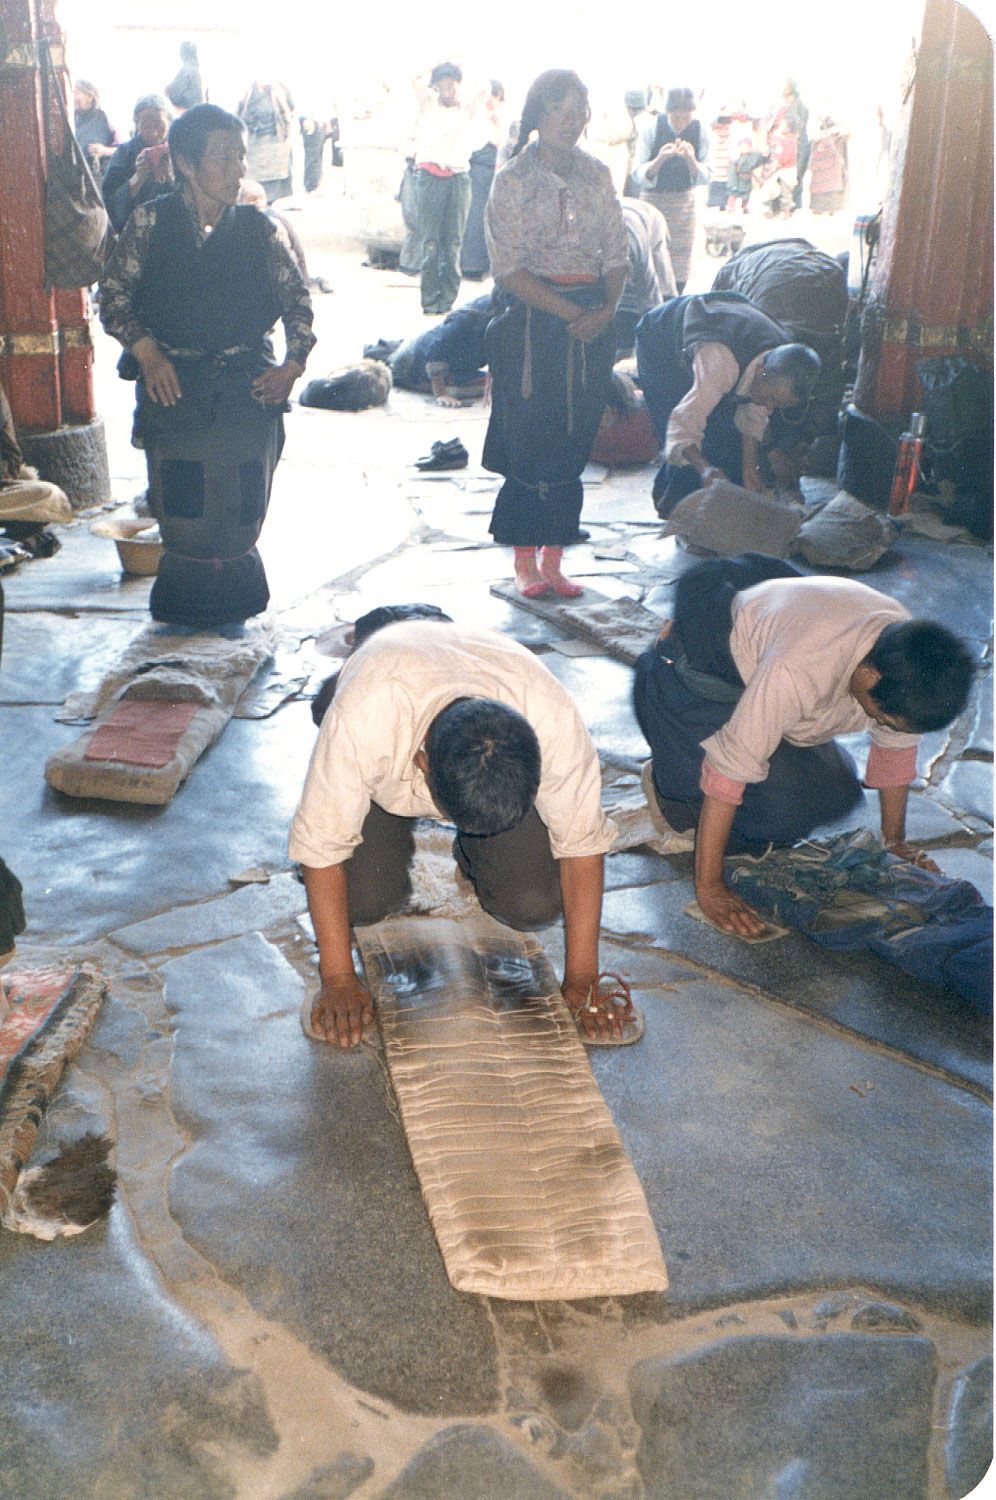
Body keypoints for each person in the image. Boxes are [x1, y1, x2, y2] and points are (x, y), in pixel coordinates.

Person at [289, 611, 631, 1048]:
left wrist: (582, 977)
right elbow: (321, 850)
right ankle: (375, 807)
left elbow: (582, 845)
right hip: (393, 673)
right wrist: (337, 979)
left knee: (534, 906)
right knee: (363, 902)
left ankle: (475, 858)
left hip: (478, 663)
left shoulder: (553, 718)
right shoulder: (362, 719)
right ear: (422, 764)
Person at [633, 556, 976, 936]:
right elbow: (727, 772)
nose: (881, 725)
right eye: (882, 718)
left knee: (838, 794)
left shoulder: (906, 654)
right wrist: (710, 888)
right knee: (776, 814)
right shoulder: (798, 667)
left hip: (759, 669)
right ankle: (672, 788)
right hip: (690, 680)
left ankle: (704, 761)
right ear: (868, 674)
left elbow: (895, 751)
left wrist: (895, 843)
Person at [98, 102, 315, 628]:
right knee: (185, 503)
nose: (238, 170)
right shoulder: (151, 221)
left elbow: (298, 304)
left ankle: (238, 606)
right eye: (224, 159)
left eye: (241, 158)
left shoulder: (261, 229)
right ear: (188, 165)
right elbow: (113, 297)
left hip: (249, 380)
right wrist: (147, 354)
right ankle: (183, 607)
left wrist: (291, 366)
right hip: (174, 378)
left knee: (242, 500)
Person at [482, 69, 628, 598]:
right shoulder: (513, 179)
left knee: (575, 434)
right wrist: (571, 312)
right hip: (533, 319)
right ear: (538, 116)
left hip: (592, 319)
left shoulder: (597, 174)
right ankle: (524, 560)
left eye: (579, 111)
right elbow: (508, 267)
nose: (572, 122)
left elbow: (616, 250)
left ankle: (554, 558)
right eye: (560, 110)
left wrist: (607, 308)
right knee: (531, 435)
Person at [634, 291, 821, 515]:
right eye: (771, 399)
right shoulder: (720, 364)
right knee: (682, 426)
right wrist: (705, 469)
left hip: (718, 333)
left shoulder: (782, 361)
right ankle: (674, 506)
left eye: (777, 405)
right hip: (660, 338)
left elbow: (752, 416)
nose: (769, 407)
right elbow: (683, 422)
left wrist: (749, 467)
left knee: (724, 441)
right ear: (761, 371)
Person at [411, 63, 484, 314]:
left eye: (452, 84)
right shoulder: (428, 106)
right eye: (442, 85)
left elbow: (482, 85)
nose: (448, 90)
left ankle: (447, 302)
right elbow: (414, 78)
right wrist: (435, 65)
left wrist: (462, 64)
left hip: (459, 178)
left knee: (453, 244)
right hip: (430, 177)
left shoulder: (468, 109)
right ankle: (429, 301)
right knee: (430, 243)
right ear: (436, 87)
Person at [631, 86, 710, 292]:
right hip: (653, 201)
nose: (682, 122)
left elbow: (707, 174)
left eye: (687, 117)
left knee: (679, 264)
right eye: (677, 117)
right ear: (668, 112)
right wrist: (660, 159)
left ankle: (675, 301)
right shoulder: (651, 127)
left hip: (684, 203)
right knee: (651, 257)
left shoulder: (701, 130)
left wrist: (691, 160)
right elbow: (637, 172)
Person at [378, 292, 494, 405]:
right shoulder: (467, 320)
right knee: (461, 390)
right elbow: (436, 351)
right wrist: (440, 394)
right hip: (411, 366)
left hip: (457, 368)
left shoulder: (500, 321)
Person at [101, 94, 175, 232]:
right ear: (136, 123)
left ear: (169, 122)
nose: (153, 132)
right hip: (132, 230)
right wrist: (138, 178)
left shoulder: (178, 152)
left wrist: (171, 177)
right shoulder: (125, 152)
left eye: (159, 125)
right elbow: (110, 206)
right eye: (146, 126)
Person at [614, 198, 677, 355]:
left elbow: (650, 298)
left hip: (650, 218)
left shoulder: (636, 251)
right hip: (622, 216)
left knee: (663, 277)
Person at [460, 80, 507, 279]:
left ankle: (483, 264)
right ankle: (470, 265)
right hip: (476, 169)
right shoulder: (475, 117)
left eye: (495, 97)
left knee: (487, 218)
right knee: (474, 217)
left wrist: (498, 126)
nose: (491, 101)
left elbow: (502, 146)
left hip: (491, 172)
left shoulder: (501, 118)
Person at [237, 80, 295, 203]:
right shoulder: (247, 92)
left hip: (273, 141)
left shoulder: (279, 91)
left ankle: (270, 202)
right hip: (254, 142)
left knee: (274, 180)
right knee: (253, 177)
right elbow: (239, 113)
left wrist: (287, 135)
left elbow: (287, 113)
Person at [73, 80, 117, 180]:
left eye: (76, 93)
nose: (73, 98)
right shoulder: (72, 121)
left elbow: (127, 149)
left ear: (90, 96)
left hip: (100, 178)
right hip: (77, 179)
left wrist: (105, 151)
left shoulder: (105, 117)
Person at [165, 41, 205, 113]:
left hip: (189, 113)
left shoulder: (186, 70)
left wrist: (166, 89)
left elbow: (173, 95)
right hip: (201, 113)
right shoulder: (201, 71)